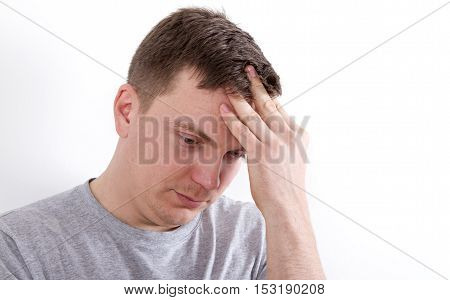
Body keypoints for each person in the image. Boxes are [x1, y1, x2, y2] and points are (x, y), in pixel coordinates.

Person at [0, 7, 325, 280]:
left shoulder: (262, 237)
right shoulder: (18, 249)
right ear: (127, 112)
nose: (209, 181)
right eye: (188, 139)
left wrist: (288, 207)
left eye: (234, 154)